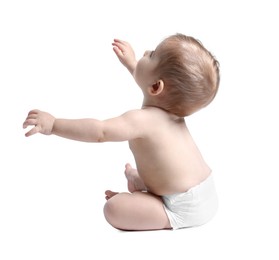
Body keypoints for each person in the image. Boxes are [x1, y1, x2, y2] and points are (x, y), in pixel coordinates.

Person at [23, 33, 220, 231]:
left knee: (114, 208)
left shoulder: (142, 120)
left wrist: (54, 124)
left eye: (151, 55)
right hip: (205, 192)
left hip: (184, 209)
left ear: (156, 87)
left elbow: (101, 131)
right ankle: (143, 186)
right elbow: (149, 83)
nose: (145, 52)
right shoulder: (172, 114)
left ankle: (148, 206)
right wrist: (132, 64)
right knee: (160, 174)